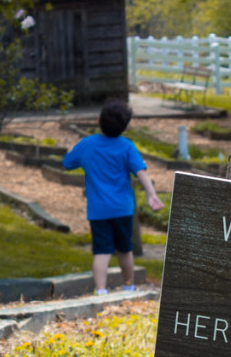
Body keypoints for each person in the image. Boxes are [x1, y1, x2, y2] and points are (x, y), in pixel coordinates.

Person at [62, 98, 164, 294]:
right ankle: (128, 286)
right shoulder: (126, 146)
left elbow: (67, 163)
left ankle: (101, 291)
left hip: (98, 210)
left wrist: (71, 151)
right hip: (122, 208)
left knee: (102, 251)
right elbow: (141, 171)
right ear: (125, 128)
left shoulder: (87, 145)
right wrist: (152, 194)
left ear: (99, 119)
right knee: (125, 249)